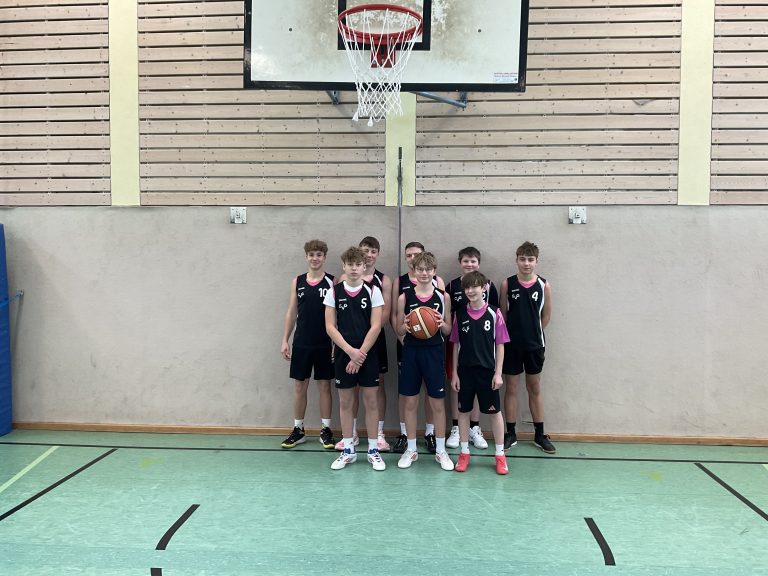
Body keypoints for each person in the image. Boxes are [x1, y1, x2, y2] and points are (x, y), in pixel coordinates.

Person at [324, 246, 386, 470]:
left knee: (371, 401)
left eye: (358, 264)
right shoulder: (334, 291)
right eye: (350, 264)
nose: (354, 268)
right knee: (346, 402)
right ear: (344, 266)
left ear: (364, 266)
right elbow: (330, 327)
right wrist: (350, 352)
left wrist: (360, 354)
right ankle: (348, 450)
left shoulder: (373, 291)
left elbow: (376, 325)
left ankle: (372, 450)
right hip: (343, 354)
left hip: (367, 354)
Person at [395, 252, 454, 471]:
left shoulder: (443, 297)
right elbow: (399, 328)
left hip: (434, 352)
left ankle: (440, 450)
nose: (424, 273)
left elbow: (448, 330)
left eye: (428, 269)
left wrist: (440, 324)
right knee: (410, 403)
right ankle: (411, 449)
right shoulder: (404, 297)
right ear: (414, 271)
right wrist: (405, 328)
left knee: (437, 403)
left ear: (434, 271)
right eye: (420, 269)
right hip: (411, 352)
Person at [333, 236, 392, 452]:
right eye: (365, 250)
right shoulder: (341, 282)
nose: (368, 254)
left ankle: (378, 434)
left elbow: (382, 316)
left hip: (372, 342)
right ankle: (353, 433)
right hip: (347, 344)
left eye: (373, 251)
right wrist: (352, 351)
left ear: (377, 255)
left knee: (376, 389)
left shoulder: (382, 281)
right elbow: (333, 321)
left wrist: (363, 349)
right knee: (349, 390)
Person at [450, 271, 510, 475]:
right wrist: (455, 374)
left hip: (488, 373)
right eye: (467, 287)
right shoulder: (460, 314)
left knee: (494, 414)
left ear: (484, 287)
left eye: (475, 286)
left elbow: (500, 344)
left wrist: (498, 373)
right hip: (465, 372)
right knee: (463, 413)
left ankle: (500, 455)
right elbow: (456, 345)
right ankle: (464, 452)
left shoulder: (495, 313)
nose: (470, 290)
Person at [499, 241, 555, 454]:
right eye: (522, 259)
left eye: (530, 259)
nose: (526, 263)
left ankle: (540, 434)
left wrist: (532, 333)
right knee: (511, 388)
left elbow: (546, 316)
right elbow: (502, 315)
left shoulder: (544, 285)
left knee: (534, 388)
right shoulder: (507, 284)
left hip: (534, 345)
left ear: (536, 262)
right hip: (512, 346)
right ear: (516, 261)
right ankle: (510, 433)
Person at [279, 240, 335, 449]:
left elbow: (335, 315)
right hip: (302, 342)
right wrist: (285, 339)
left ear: (324, 257)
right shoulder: (298, 281)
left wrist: (336, 343)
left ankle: (325, 429)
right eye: (311, 254)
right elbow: (292, 312)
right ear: (306, 257)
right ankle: (298, 429)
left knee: (324, 386)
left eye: (319, 254)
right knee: (299, 385)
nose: (315, 258)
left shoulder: (331, 281)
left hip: (324, 343)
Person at [445, 247, 499, 451]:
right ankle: (457, 427)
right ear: (460, 263)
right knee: (456, 384)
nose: (469, 264)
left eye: (473, 261)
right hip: (459, 344)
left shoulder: (489, 286)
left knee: (478, 386)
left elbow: (493, 314)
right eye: (466, 261)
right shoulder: (451, 285)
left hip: (483, 348)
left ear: (479, 263)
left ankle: (475, 429)